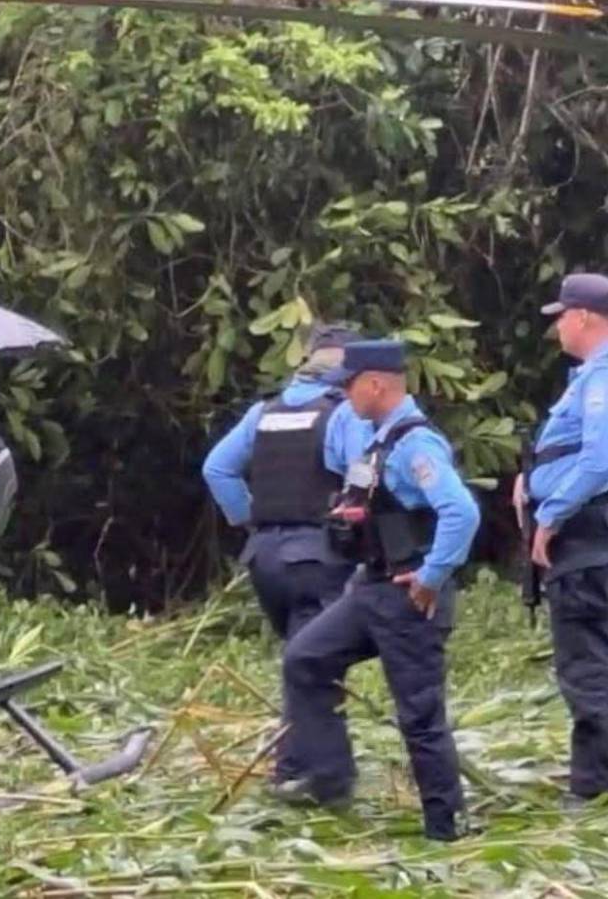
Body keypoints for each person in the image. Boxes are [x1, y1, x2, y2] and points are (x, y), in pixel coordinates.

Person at [280, 339, 480, 841]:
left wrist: (432, 576)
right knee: (305, 659)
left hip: (409, 594)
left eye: (347, 386)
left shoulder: (416, 444)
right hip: (368, 587)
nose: (343, 396)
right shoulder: (375, 437)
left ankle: (444, 828)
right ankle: (330, 779)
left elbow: (462, 513)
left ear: (375, 383)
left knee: (419, 713)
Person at [202, 323, 372, 784]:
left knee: (300, 661)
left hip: (265, 558)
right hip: (318, 555)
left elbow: (217, 468)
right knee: (318, 667)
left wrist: (247, 519)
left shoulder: (265, 411)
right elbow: (362, 475)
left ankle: (291, 767)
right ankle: (324, 780)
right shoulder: (345, 414)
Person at [516, 273, 608, 809]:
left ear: (584, 318)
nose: (555, 328)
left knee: (589, 670)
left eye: (561, 317)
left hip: (587, 543)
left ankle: (592, 792)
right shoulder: (588, 379)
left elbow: (600, 458)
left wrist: (548, 515)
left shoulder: (601, 377)